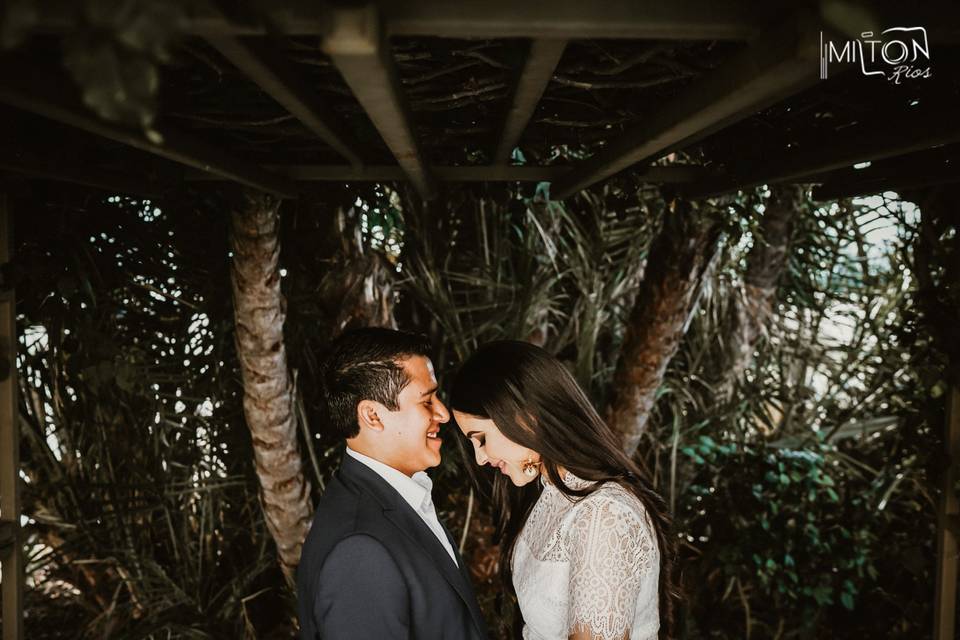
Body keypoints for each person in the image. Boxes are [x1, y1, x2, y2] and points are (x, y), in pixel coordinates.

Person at [450, 340, 678, 640]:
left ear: (525, 417)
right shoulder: (547, 493)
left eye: (480, 438)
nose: (480, 458)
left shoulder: (603, 515)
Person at [297, 327, 488, 640]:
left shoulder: (389, 496)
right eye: (427, 401)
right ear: (373, 415)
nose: (443, 413)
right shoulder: (358, 552)